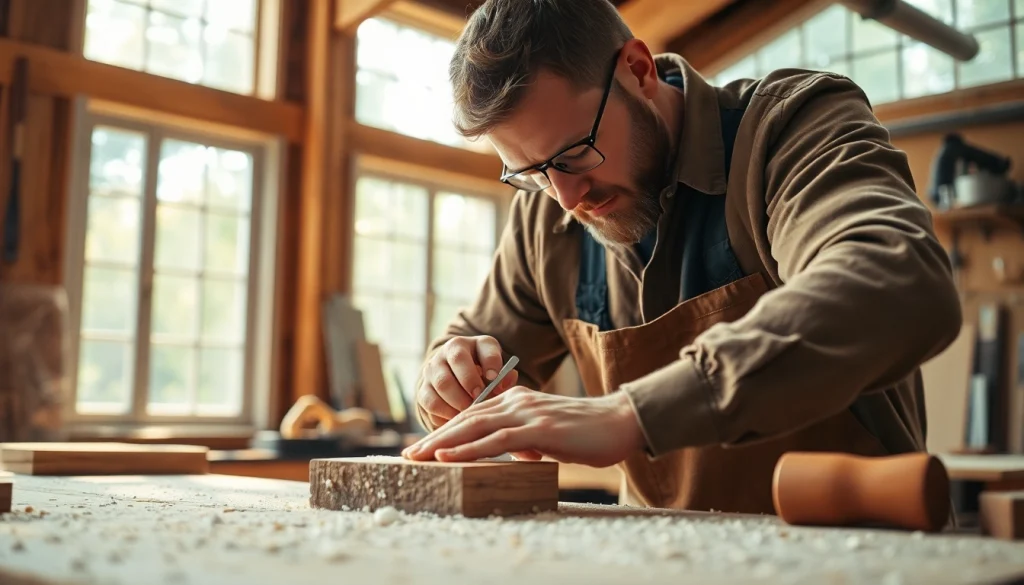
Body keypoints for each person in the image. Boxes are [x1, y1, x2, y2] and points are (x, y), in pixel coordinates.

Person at [401, 0, 962, 513]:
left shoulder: (789, 129)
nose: (567, 199)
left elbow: (897, 278)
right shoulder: (548, 211)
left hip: (853, 553)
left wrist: (630, 415)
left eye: (574, 153)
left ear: (638, 71)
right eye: (531, 173)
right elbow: (476, 348)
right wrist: (448, 379)